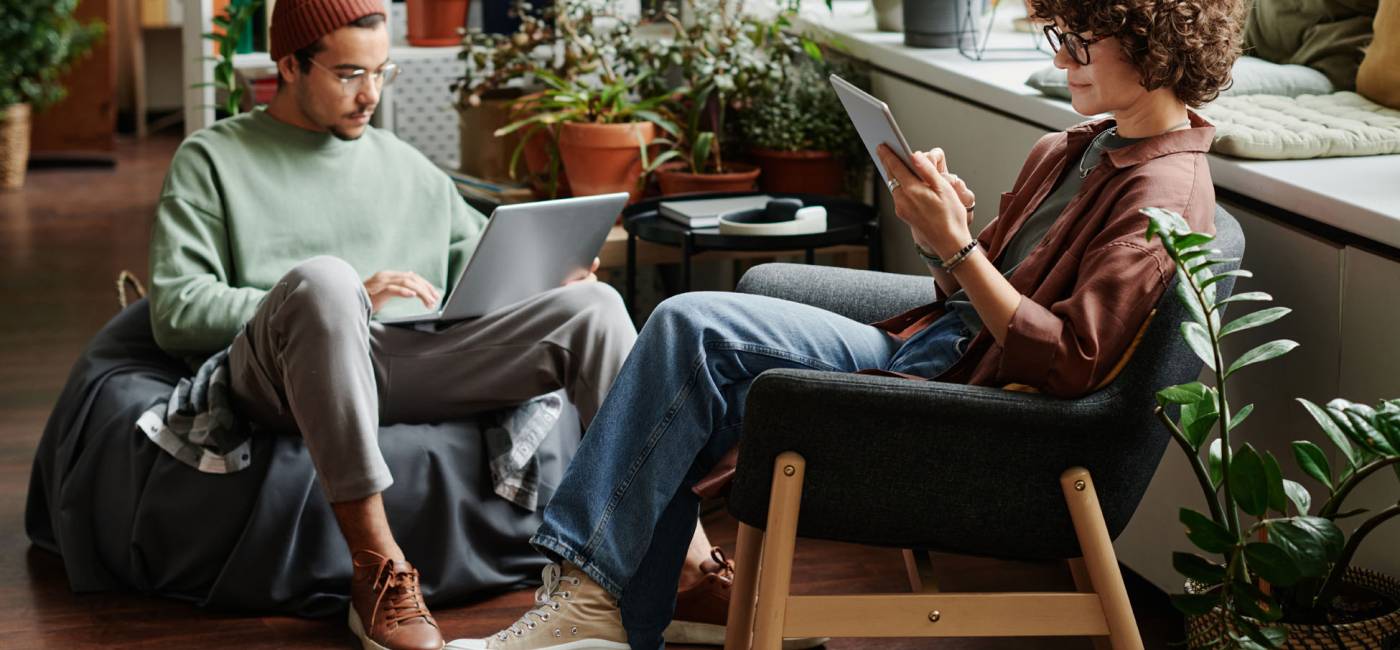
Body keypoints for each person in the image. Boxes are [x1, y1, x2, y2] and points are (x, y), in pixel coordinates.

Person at [458, 0, 1244, 648]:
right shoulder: (1075, 148)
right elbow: (976, 292)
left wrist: (957, 244)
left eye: (1081, 37)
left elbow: (1070, 360)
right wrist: (952, 239)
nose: (1065, 55)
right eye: (1057, 34)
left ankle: (593, 604)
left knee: (692, 330)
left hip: (973, 411)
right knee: (689, 361)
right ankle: (619, 614)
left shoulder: (1160, 198)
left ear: (1156, 42)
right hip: (939, 348)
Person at [145, 1, 726, 648]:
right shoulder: (211, 159)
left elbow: (487, 266)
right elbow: (175, 310)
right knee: (327, 282)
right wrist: (348, 296)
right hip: (281, 367)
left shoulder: (403, 164)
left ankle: (688, 567)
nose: (370, 94)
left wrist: (551, 279)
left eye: (381, 72)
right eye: (347, 74)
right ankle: (377, 568)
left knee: (593, 309)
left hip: (409, 359)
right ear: (287, 65)